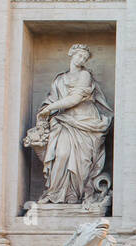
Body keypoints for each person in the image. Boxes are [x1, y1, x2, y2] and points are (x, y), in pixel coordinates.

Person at [27, 44, 112, 205]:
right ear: (71, 54)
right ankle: (55, 193)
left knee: (82, 161)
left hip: (85, 121)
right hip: (64, 121)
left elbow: (75, 99)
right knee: (62, 155)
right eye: (79, 55)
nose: (81, 59)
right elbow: (51, 100)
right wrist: (47, 110)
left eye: (85, 58)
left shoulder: (85, 75)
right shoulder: (60, 79)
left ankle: (76, 195)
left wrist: (50, 108)